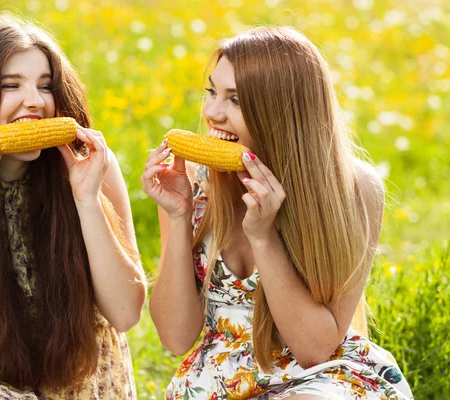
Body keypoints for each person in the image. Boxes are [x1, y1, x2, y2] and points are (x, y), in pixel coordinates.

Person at [142, 26, 413, 399]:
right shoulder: (191, 180)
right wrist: (177, 214)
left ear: (281, 112)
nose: (212, 113)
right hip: (218, 379)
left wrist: (263, 236)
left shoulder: (353, 190)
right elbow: (175, 338)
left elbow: (315, 349)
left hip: (321, 376)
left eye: (235, 100)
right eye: (212, 92)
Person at [0, 15, 145, 399]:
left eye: (46, 86)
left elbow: (126, 313)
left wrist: (87, 200)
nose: (34, 101)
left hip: (86, 379)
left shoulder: (91, 167)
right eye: (11, 86)